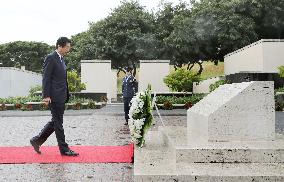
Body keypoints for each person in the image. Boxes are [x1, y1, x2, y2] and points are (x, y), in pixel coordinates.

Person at [30, 37, 79, 156]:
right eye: (67, 47)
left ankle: (36, 140)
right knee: (58, 123)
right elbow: (46, 77)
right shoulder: (51, 57)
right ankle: (64, 149)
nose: (69, 49)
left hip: (61, 95)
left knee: (55, 122)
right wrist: (46, 95)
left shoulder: (61, 59)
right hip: (54, 96)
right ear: (59, 46)